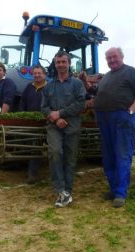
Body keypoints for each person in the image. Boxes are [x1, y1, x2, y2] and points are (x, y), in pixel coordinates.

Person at [94, 47, 135, 208]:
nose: (111, 60)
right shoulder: (106, 77)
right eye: (108, 58)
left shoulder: (131, 72)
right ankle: (114, 188)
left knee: (122, 154)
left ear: (121, 57)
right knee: (108, 155)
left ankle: (121, 193)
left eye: (114, 57)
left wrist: (131, 111)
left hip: (122, 116)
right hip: (104, 118)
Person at [41, 51, 85, 208]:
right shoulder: (49, 86)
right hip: (54, 126)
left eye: (63, 62)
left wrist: (60, 113)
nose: (60, 65)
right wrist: (56, 118)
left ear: (69, 63)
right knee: (54, 152)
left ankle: (67, 191)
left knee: (70, 159)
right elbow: (44, 107)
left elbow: (81, 104)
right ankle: (60, 190)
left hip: (72, 125)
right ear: (54, 63)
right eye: (58, 62)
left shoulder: (77, 84)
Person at [19, 65, 47, 184]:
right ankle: (31, 172)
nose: (36, 75)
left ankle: (33, 174)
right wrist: (22, 115)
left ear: (44, 74)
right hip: (30, 121)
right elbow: (22, 102)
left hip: (44, 121)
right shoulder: (28, 87)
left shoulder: (48, 88)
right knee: (32, 145)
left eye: (39, 73)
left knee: (38, 146)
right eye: (35, 73)